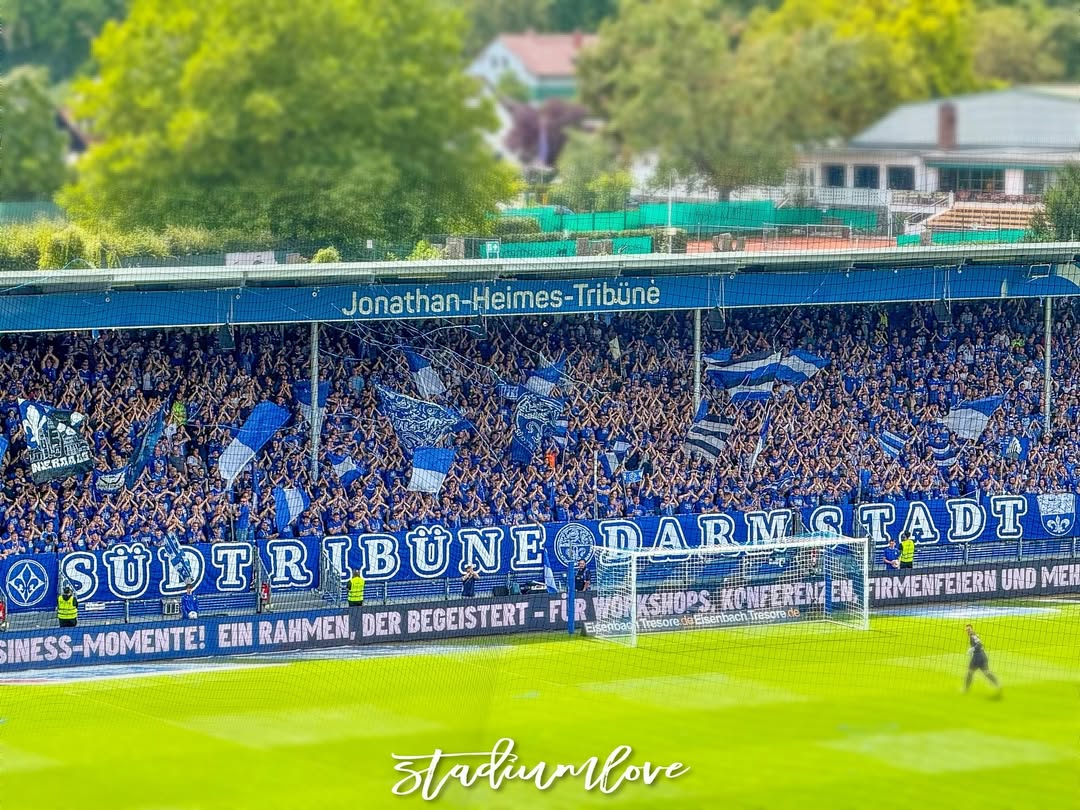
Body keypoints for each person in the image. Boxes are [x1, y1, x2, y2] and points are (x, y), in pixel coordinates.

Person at [963, 624, 1002, 696]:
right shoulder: (974, 635)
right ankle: (998, 684)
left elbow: (980, 644)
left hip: (977, 657)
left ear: (972, 629)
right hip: (982, 656)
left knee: (970, 673)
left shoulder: (973, 635)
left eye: (969, 629)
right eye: (966, 630)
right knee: (986, 672)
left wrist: (973, 649)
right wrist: (973, 649)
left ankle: (966, 689)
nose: (967, 631)